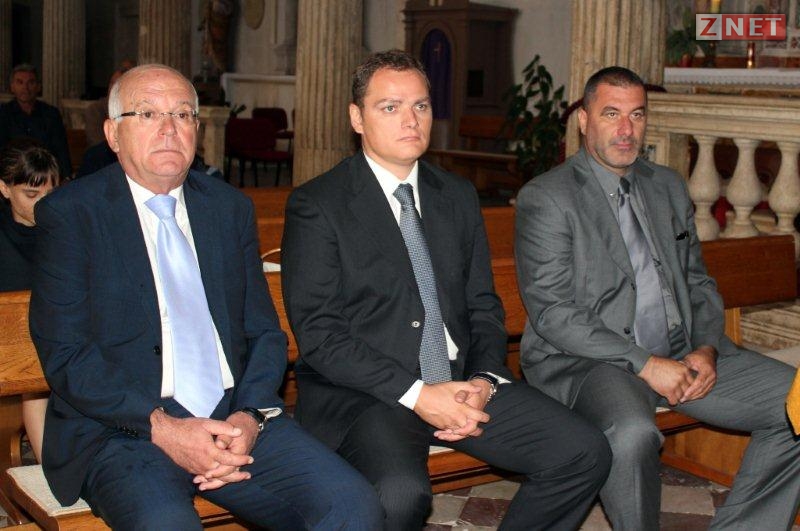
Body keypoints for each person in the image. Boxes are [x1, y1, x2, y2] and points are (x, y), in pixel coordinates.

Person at [29, 64, 382, 531]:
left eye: (182, 114)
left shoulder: (228, 208)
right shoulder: (72, 214)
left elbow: (264, 332)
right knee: (166, 525)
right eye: (148, 114)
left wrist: (251, 415)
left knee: (354, 506)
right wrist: (165, 428)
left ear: (197, 129)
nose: (169, 129)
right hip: (124, 429)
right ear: (113, 133)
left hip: (234, 419)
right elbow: (67, 354)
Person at [281, 49, 611, 531]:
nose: (410, 119)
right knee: (398, 494)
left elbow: (483, 306)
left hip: (461, 381)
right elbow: (321, 335)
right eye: (390, 107)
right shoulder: (319, 204)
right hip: (372, 392)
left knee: (584, 452)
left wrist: (484, 380)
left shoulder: (455, 195)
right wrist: (418, 394)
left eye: (421, 105)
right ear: (357, 118)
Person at [515, 66, 800, 530]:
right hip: (593, 361)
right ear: (584, 120)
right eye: (611, 114)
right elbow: (554, 313)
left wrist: (705, 348)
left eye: (637, 114)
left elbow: (698, 281)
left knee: (798, 403)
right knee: (631, 434)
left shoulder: (666, 185)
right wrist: (646, 364)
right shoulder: (548, 197)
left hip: (682, 353)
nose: (626, 129)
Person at [0, 138, 59, 463]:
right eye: (31, 195)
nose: (42, 204)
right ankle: (49, 468)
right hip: (14, 347)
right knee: (33, 380)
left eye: (49, 194)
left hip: (52, 338)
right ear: (5, 189)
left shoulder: (62, 230)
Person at [0, 64, 71, 179]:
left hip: (46, 172)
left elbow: (61, 149)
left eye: (31, 82)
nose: (25, 88)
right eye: (20, 82)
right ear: (12, 87)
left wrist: (66, 177)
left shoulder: (51, 114)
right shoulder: (3, 113)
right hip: (13, 173)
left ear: (38, 87)